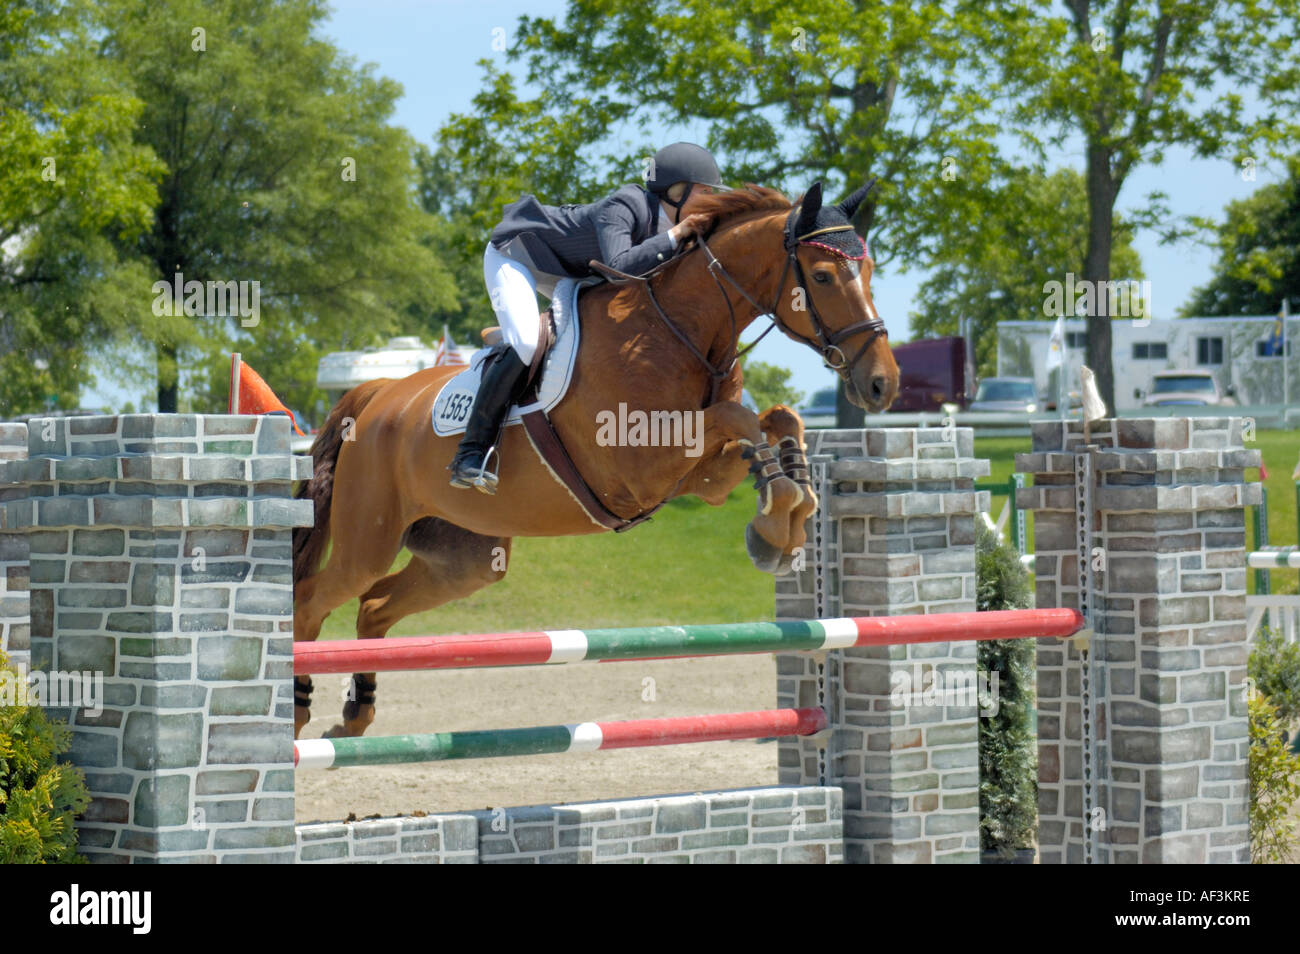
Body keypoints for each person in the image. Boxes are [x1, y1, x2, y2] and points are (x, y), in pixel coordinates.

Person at [448, 142, 728, 493]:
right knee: (527, 342)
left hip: (571, 271)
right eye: (705, 192)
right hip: (516, 255)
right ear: (676, 191)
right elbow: (619, 268)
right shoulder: (626, 204)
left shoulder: (673, 228)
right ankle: (470, 453)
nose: (711, 201)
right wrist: (676, 235)